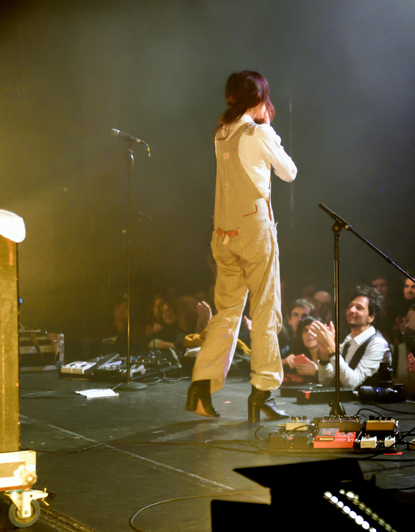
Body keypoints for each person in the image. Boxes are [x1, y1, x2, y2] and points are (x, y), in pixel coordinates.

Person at [186, 70, 297, 422]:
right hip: (254, 231)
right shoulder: (259, 132)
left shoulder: (222, 133)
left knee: (227, 313)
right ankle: (262, 392)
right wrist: (269, 129)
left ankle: (201, 386)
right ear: (259, 97)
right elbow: (289, 172)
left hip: (223, 235)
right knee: (266, 309)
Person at [310, 286, 391, 389]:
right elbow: (326, 381)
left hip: (367, 405)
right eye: (350, 306)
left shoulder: (377, 344)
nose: (352, 310)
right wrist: (324, 356)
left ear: (371, 317)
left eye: (359, 308)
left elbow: (352, 383)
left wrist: (332, 350)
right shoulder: (349, 340)